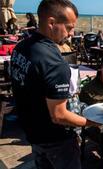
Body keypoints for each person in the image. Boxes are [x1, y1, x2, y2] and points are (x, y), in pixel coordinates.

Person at [10, 1, 94, 169]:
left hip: (33, 134)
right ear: (51, 23)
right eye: (69, 28)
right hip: (57, 141)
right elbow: (59, 116)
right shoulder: (54, 63)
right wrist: (93, 122)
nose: (71, 34)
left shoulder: (21, 47)